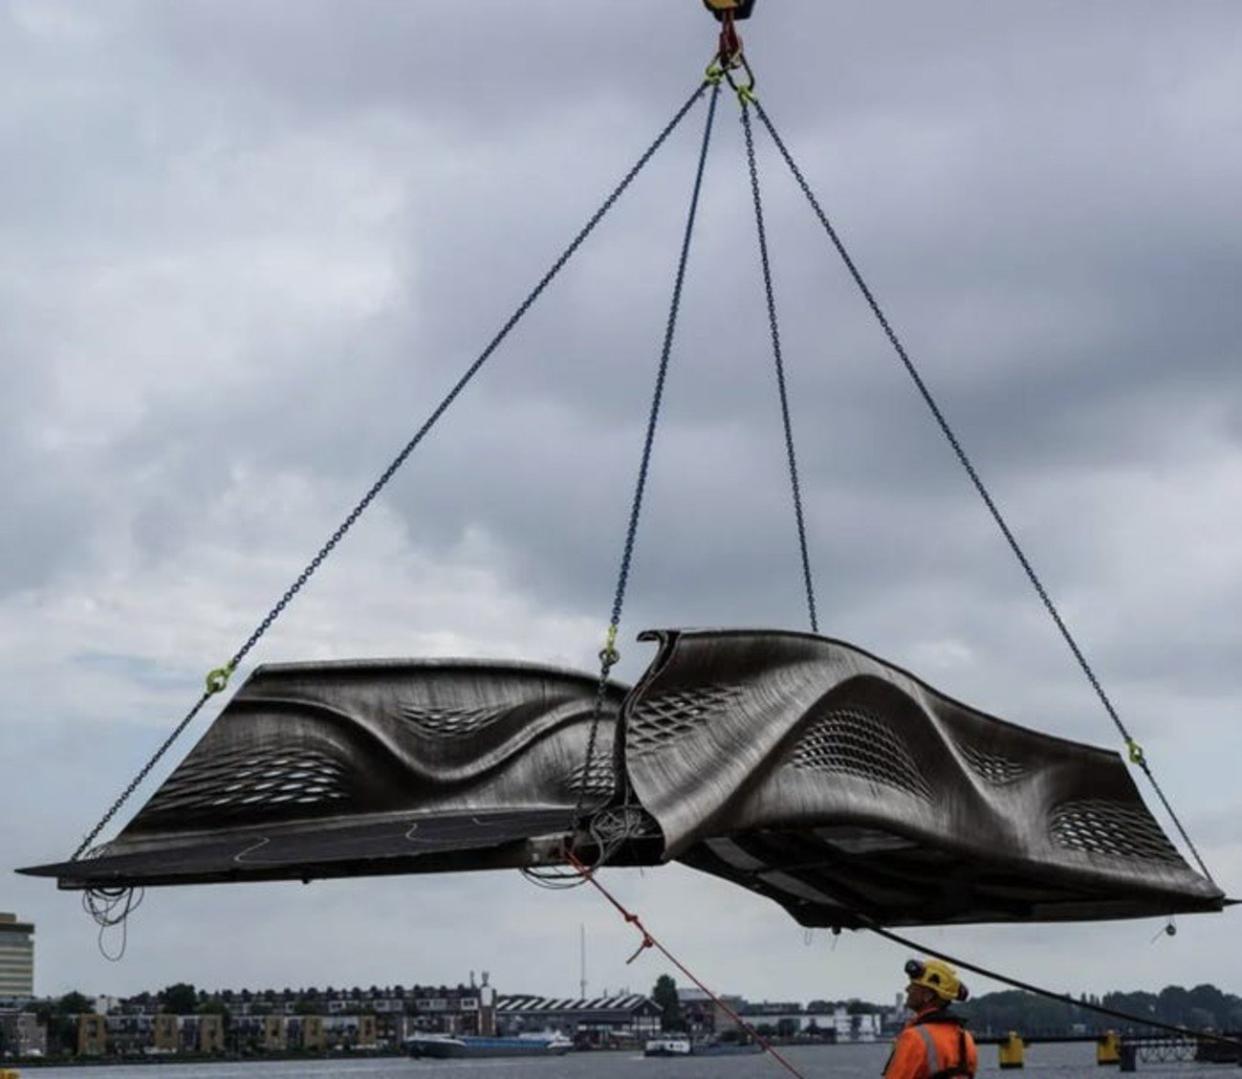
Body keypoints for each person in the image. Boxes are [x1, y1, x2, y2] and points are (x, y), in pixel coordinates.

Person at [882, 958, 978, 1079]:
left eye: (914, 985)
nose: (907, 989)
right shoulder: (965, 1038)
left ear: (928, 995)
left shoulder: (914, 1037)